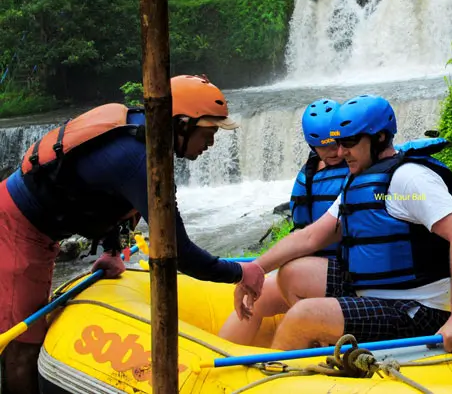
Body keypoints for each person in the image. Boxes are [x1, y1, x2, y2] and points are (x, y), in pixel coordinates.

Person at [0, 74, 266, 394]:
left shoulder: (144, 138)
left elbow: (125, 204)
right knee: (22, 347)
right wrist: (239, 272)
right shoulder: (138, 159)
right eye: (207, 133)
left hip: (39, 225)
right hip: (16, 226)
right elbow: (178, 250)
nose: (211, 144)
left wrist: (114, 251)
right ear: (181, 124)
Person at [233, 94, 452, 353]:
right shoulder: (360, 179)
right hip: (376, 294)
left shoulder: (410, 180)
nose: (341, 152)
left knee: (303, 317)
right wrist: (256, 269)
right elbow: (310, 238)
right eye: (339, 143)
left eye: (349, 142)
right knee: (293, 273)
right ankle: (334, 333)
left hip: (417, 309)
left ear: (380, 138)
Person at [218, 98, 349, 346]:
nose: (334, 152)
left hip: (345, 269)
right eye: (324, 147)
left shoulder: (357, 170)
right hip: (316, 268)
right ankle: (221, 358)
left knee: (293, 274)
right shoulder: (308, 175)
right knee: (256, 298)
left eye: (337, 143)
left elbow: (313, 237)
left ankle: (317, 342)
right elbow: (303, 233)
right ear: (312, 146)